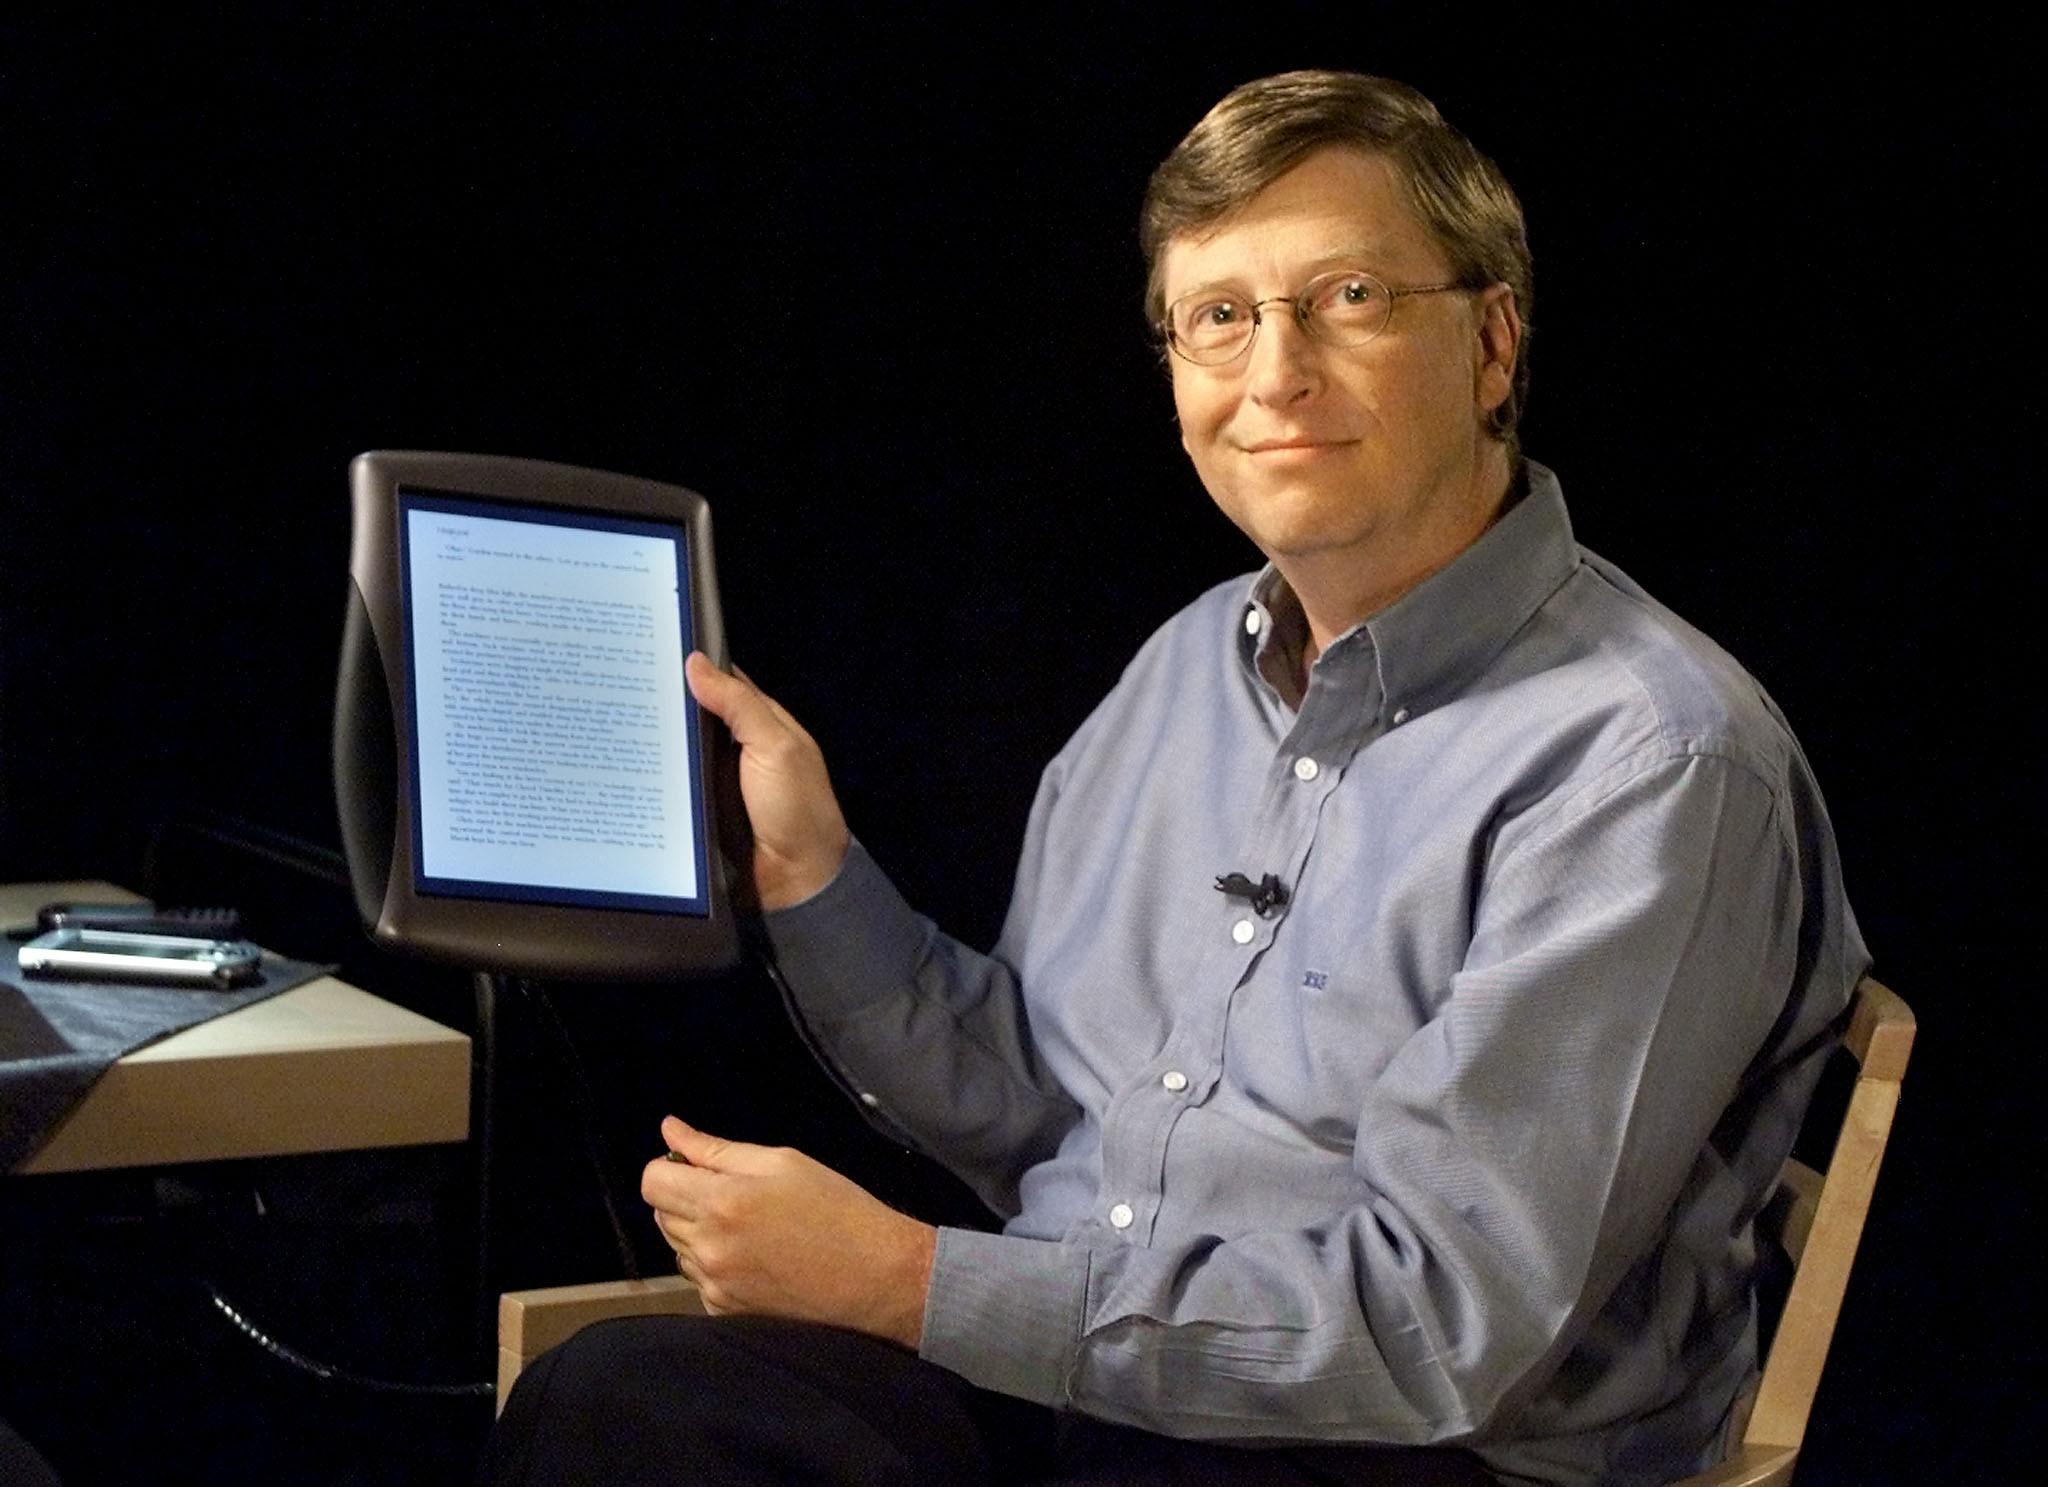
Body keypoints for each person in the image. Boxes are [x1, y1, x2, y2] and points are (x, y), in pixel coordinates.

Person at [484, 70, 1865, 1486]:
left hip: (1414, 1451)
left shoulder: (1651, 763)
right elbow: (1040, 1112)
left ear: (1495, 345)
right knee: (626, 1408)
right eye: (1220, 319)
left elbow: (1441, 1333)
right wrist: (812, 873)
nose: (1276, 374)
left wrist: (908, 1282)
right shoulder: (1189, 663)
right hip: (1107, 1394)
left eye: (1349, 299)